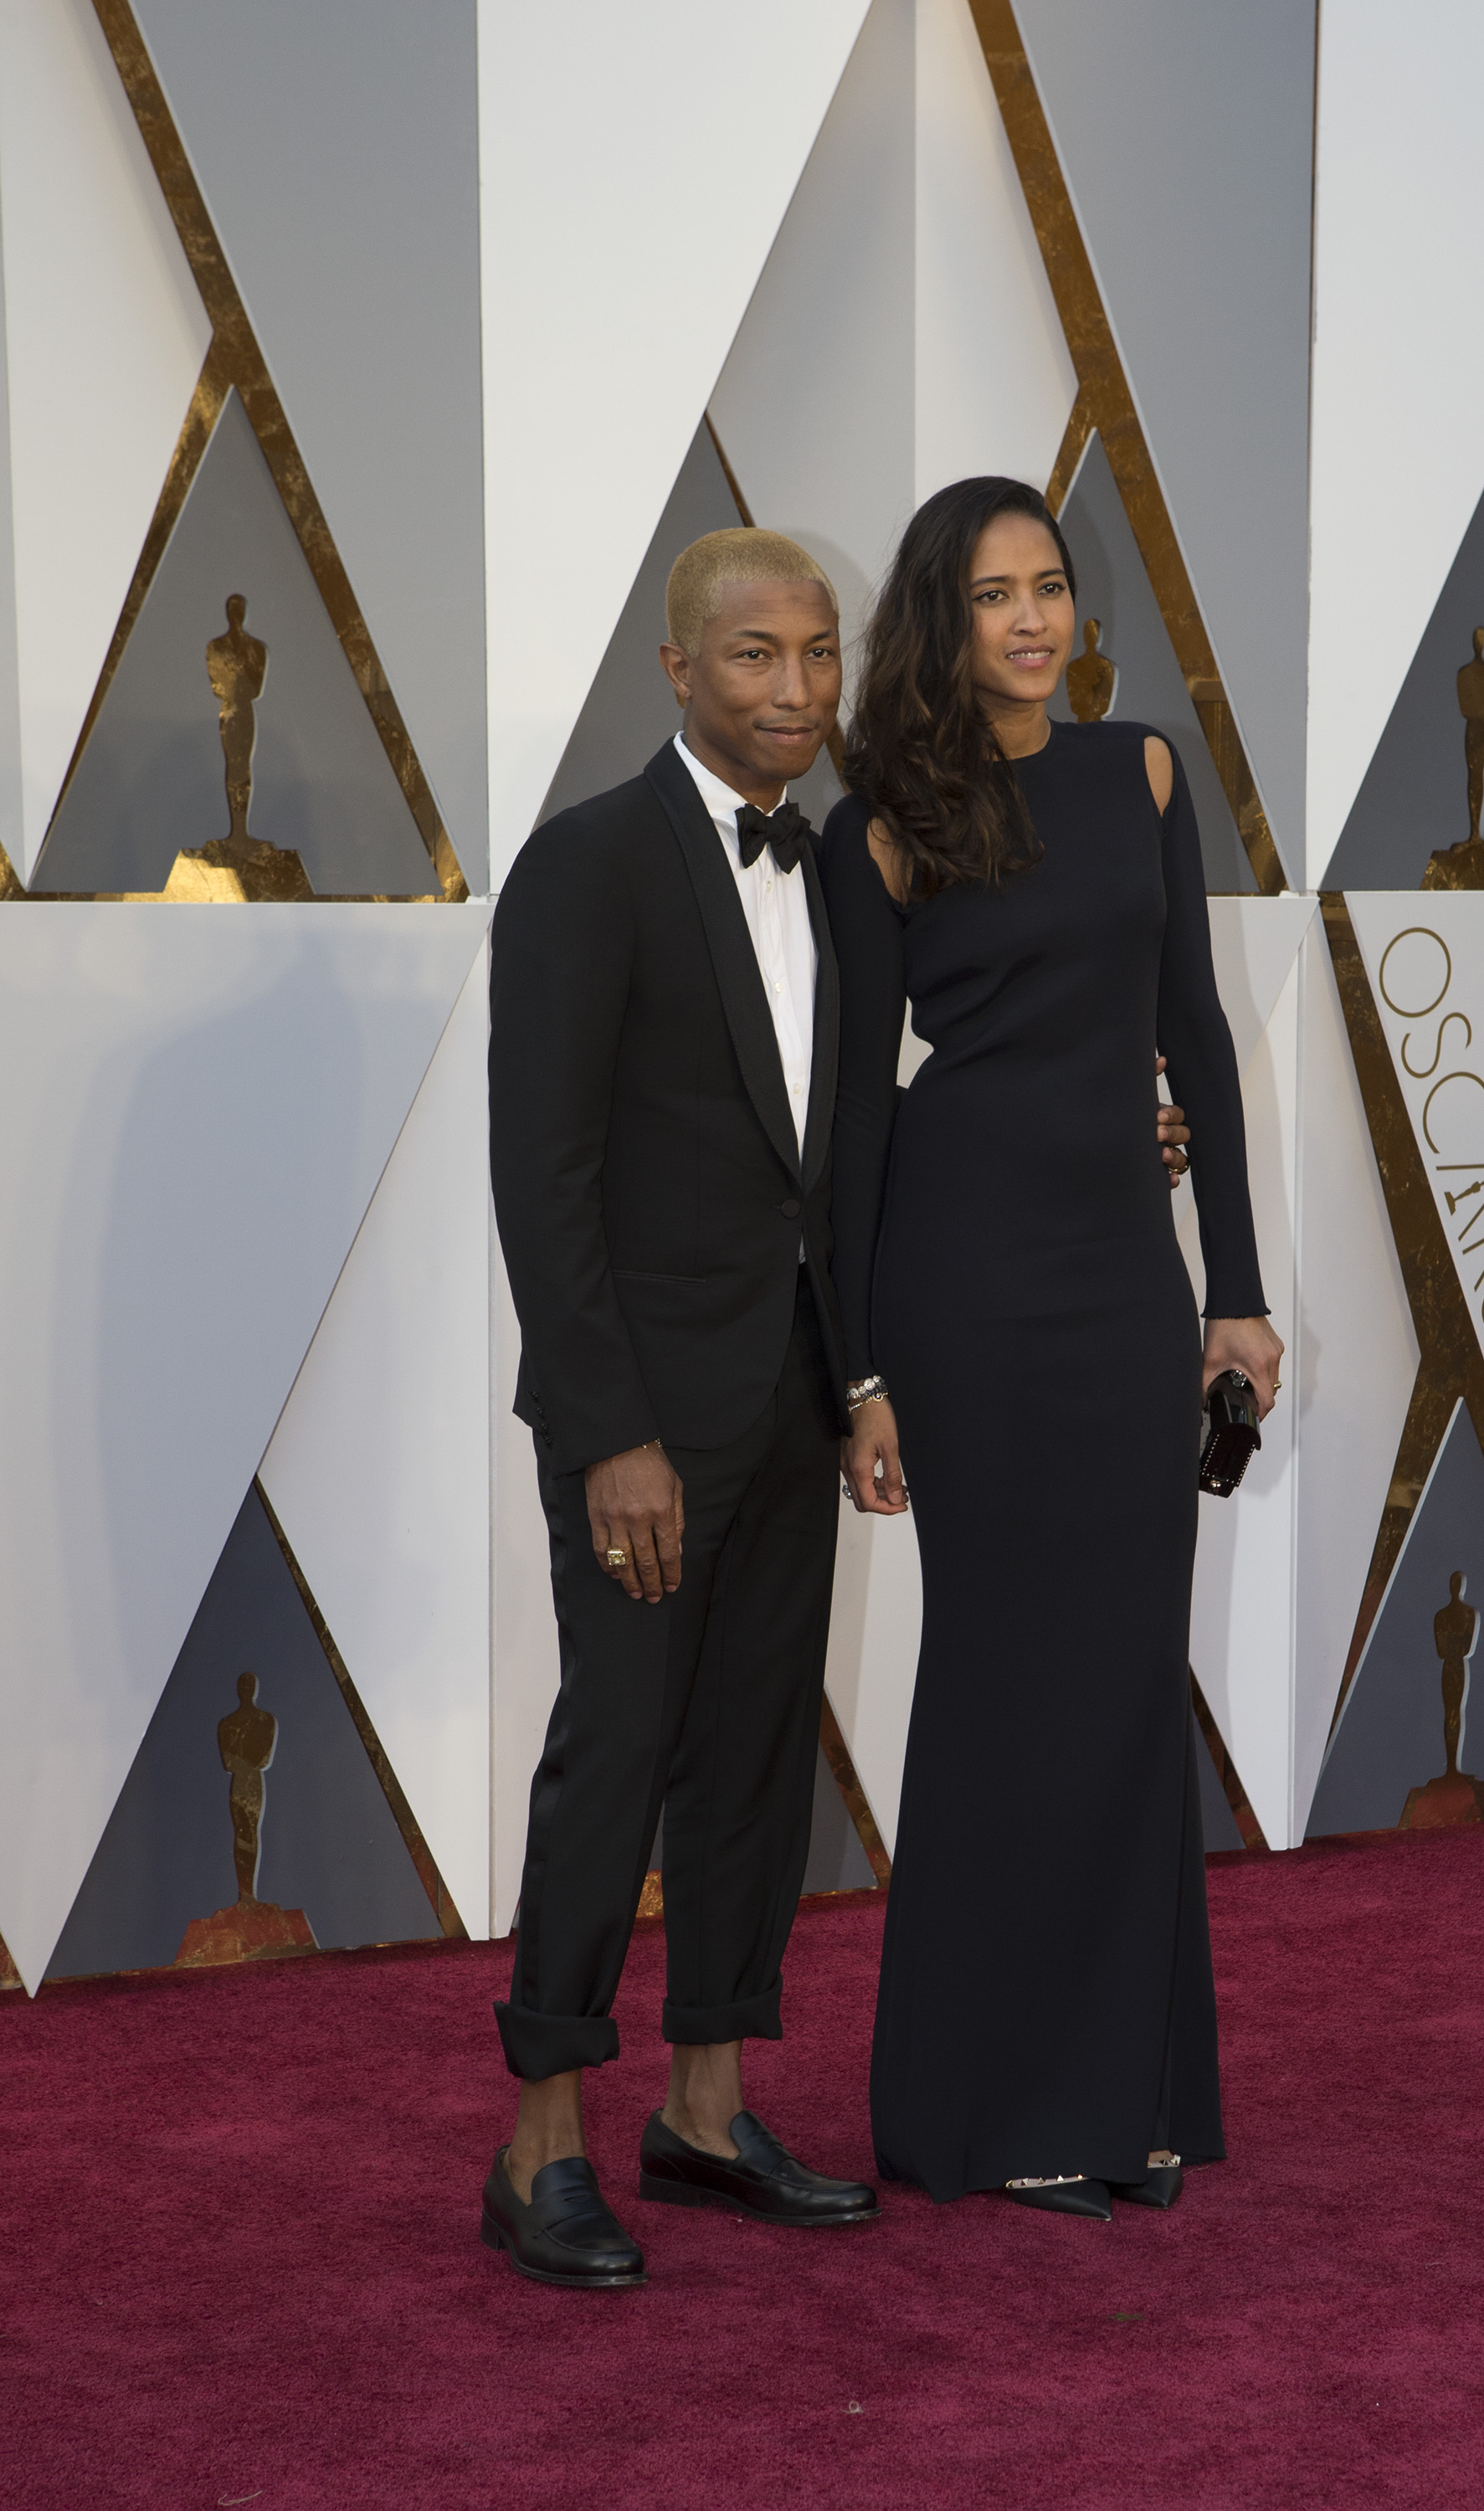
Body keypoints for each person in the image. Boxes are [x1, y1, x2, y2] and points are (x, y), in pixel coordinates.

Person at [822, 475, 1283, 2220]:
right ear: (939, 624)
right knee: (1002, 1679)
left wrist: (1233, 1287)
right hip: (962, 1282)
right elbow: (855, 1112)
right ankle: (985, 2111)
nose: (1029, 619)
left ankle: (1120, 2093)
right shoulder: (881, 819)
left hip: (1119, 1282)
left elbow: (1195, 1036)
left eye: (1049, 586)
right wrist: (857, 1368)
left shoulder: (1140, 771)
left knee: (1123, 1675)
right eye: (990, 595)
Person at [482, 528, 882, 2288]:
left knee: (752, 1759)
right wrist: (605, 1434)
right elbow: (542, 1176)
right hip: (643, 1419)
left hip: (794, 1395)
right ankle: (539, 2144)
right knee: (617, 1752)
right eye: (753, 655)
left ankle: (706, 2112)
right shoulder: (588, 864)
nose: (794, 688)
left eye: (817, 653)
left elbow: (841, 1155)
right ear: (677, 667)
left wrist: (862, 1378)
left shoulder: (839, 866)